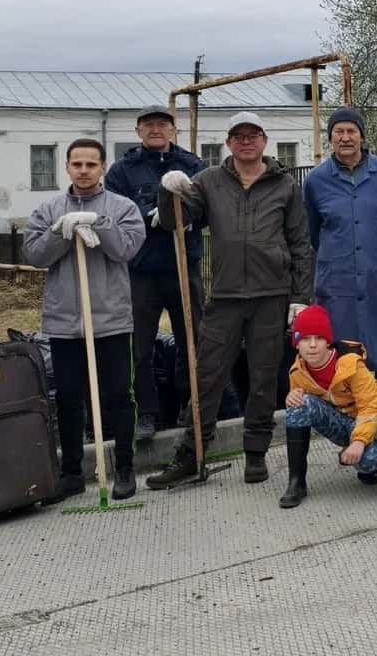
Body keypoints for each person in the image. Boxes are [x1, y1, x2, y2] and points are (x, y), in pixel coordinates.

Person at [146, 111, 313, 489]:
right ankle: (192, 454)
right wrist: (168, 190)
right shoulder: (208, 182)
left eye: (253, 135)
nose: (245, 141)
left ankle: (255, 454)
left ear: (264, 141)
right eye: (238, 136)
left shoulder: (285, 186)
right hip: (224, 297)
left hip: (272, 296)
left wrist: (301, 297)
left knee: (263, 377)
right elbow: (175, 222)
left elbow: (301, 243)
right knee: (206, 376)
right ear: (228, 143)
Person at [24, 139, 146, 501]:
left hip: (110, 319)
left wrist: (99, 223)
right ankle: (72, 472)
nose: (83, 170)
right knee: (69, 398)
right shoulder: (48, 209)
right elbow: (34, 256)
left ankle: (124, 467)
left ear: (102, 167)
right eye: (77, 163)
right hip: (64, 321)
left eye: (91, 164)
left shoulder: (121, 207)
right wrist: (60, 232)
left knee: (119, 395)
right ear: (67, 167)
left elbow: (125, 249)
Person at [104, 103, 206, 442]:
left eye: (162, 124)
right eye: (148, 125)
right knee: (140, 347)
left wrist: (184, 214)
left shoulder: (191, 165)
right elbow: (116, 211)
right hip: (141, 270)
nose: (155, 129)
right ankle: (145, 412)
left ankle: (188, 405)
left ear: (173, 130)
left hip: (183, 267)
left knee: (191, 341)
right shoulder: (123, 171)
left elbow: (204, 210)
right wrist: (154, 212)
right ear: (138, 132)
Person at [303, 107, 377, 411]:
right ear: (331, 137)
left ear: (362, 136)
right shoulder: (316, 182)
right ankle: (354, 429)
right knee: (344, 359)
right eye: (339, 132)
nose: (345, 138)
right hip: (338, 285)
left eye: (351, 131)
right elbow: (312, 233)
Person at [278, 304, 377, 508]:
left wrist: (358, 441)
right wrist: (291, 397)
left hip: (372, 421)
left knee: (366, 464)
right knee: (298, 404)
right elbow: (300, 404)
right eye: (305, 338)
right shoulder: (297, 371)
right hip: (341, 421)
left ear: (328, 341)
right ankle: (296, 482)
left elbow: (371, 406)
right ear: (296, 343)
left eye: (319, 338)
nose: (312, 345)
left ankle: (375, 453)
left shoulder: (351, 364)